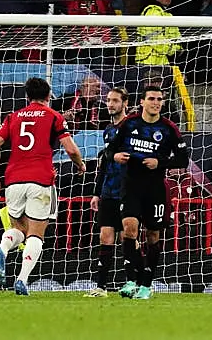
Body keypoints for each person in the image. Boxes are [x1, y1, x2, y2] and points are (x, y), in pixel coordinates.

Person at [0, 77, 86, 295]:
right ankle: (22, 279)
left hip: (13, 181)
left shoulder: (13, 117)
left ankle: (2, 249)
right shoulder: (54, 116)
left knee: (18, 229)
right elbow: (70, 149)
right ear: (49, 96)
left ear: (27, 96)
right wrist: (80, 165)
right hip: (41, 180)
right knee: (35, 235)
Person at [105, 85, 188, 299]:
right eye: (151, 98)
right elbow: (110, 149)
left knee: (153, 235)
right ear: (142, 102)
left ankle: (146, 285)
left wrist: (160, 162)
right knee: (129, 229)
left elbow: (182, 159)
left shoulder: (169, 128)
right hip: (131, 185)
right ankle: (131, 280)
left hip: (155, 188)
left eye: (159, 99)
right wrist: (115, 157)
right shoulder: (129, 123)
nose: (156, 102)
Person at [84, 87, 129, 297]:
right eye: (108, 100)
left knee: (129, 238)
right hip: (108, 192)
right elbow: (104, 163)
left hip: (128, 191)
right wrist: (96, 193)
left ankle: (134, 283)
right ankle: (101, 287)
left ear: (125, 103)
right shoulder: (108, 130)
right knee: (105, 237)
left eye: (115, 101)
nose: (110, 104)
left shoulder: (132, 128)